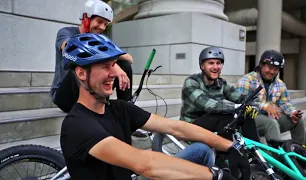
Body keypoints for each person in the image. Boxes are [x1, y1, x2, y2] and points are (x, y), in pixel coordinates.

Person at [59, 33, 249, 180]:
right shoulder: (77, 125)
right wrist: (215, 175)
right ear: (82, 74)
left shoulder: (118, 108)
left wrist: (230, 146)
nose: (113, 74)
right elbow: (144, 164)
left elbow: (176, 127)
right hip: (142, 169)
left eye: (113, 65)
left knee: (202, 151)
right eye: (104, 67)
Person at [179, 46, 260, 179]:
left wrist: (252, 106)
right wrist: (235, 107)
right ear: (202, 66)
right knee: (225, 114)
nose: (216, 67)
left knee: (246, 114)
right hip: (192, 125)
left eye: (219, 63)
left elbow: (240, 97)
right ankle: (225, 160)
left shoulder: (222, 83)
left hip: (215, 123)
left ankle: (255, 153)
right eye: (211, 63)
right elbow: (205, 103)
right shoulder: (191, 82)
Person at [50, 0, 133, 114]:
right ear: (85, 17)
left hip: (89, 93)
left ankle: (126, 110)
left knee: (124, 65)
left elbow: (129, 58)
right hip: (65, 95)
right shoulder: (66, 32)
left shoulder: (100, 39)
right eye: (99, 21)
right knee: (81, 64)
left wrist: (114, 62)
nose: (102, 27)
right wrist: (114, 65)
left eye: (105, 24)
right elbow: (71, 48)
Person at [235, 49, 306, 146]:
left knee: (298, 121)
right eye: (269, 67)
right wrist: (265, 106)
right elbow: (241, 103)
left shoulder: (279, 84)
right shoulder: (247, 80)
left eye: (276, 69)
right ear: (261, 64)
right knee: (271, 123)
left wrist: (292, 112)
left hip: (268, 118)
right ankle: (278, 157)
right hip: (247, 121)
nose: (272, 72)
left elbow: (284, 102)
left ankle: (303, 156)